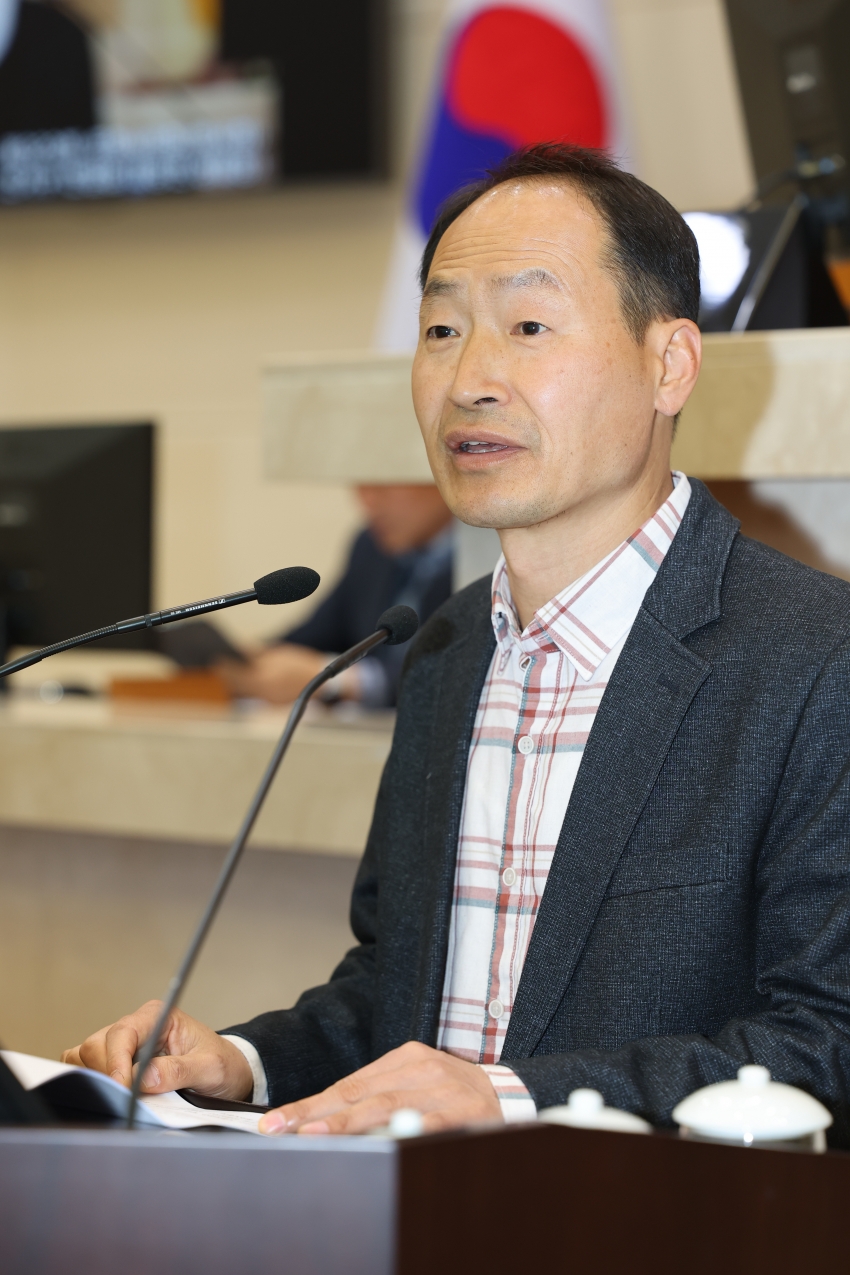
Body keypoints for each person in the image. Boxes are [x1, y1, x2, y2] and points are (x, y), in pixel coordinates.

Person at [63, 144, 850, 1143]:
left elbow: (826, 1041)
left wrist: (509, 1099)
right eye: (440, 330)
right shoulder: (446, 649)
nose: (470, 378)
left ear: (669, 365)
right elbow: (395, 997)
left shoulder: (816, 659)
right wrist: (240, 1064)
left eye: (528, 326)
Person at [221, 483, 453, 707]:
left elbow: (450, 676)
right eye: (360, 485)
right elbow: (318, 633)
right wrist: (253, 660)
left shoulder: (474, 563)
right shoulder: (371, 547)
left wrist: (336, 681)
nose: (368, 501)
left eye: (383, 485)